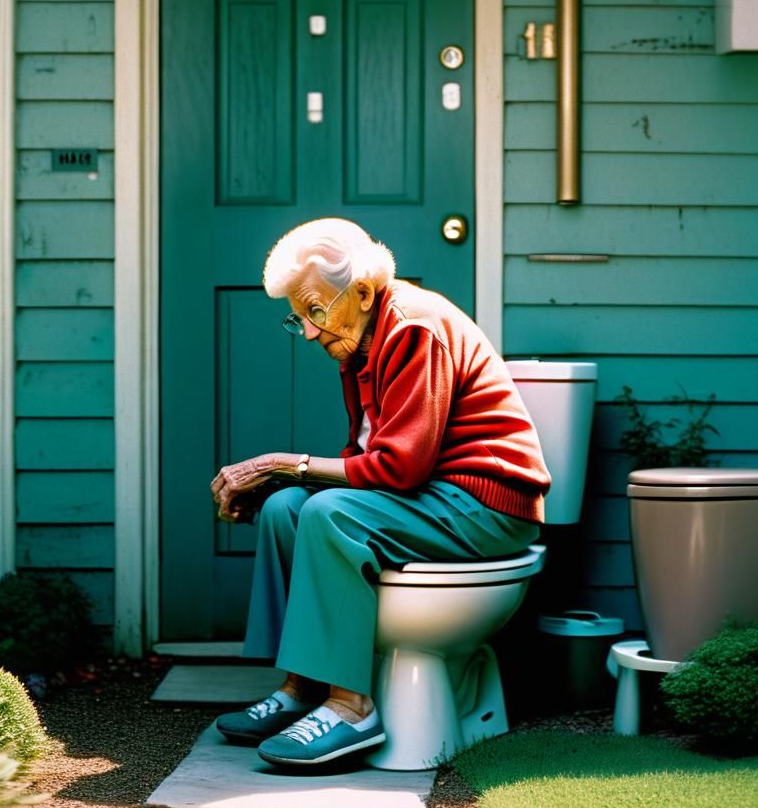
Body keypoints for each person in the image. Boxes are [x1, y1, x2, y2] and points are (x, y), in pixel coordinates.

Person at [211, 218, 550, 768]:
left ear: (363, 292)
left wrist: (283, 463)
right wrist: (281, 480)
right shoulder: (359, 345)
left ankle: (351, 709)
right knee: (283, 509)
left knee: (328, 513)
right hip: (434, 498)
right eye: (299, 319)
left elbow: (399, 466)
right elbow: (365, 456)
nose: (312, 332)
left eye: (316, 312)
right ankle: (304, 688)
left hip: (485, 506)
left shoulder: (415, 328)